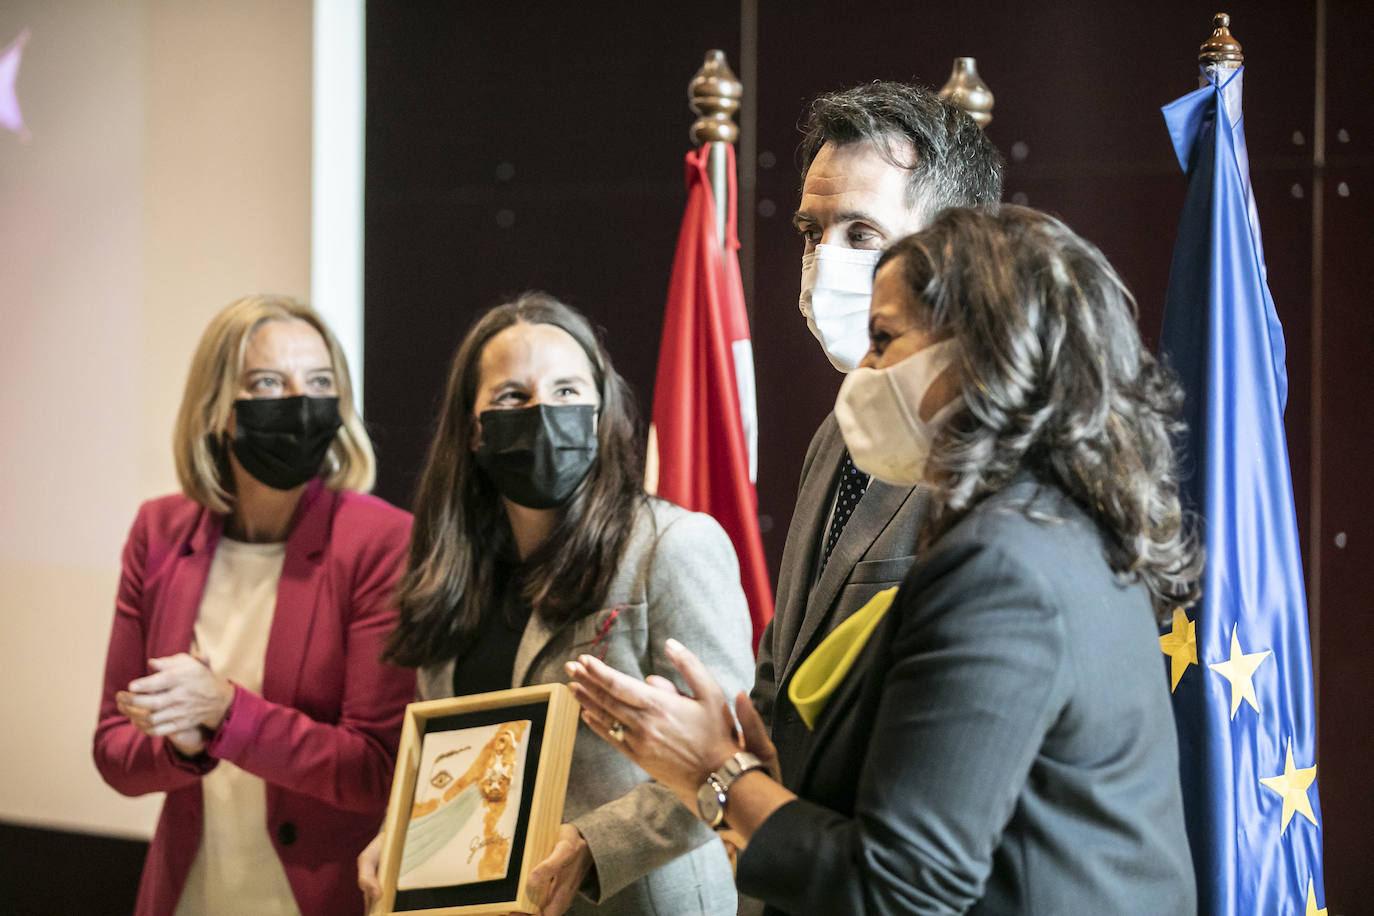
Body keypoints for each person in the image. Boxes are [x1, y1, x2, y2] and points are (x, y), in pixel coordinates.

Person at [568, 206, 1203, 914]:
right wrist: (764, 779)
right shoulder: (1055, 527)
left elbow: (902, 888)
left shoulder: (1003, 568)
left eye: (884, 339)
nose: (864, 371)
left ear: (985, 355)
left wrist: (713, 774)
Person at [357, 292, 753, 915]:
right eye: (512, 397)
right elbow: (456, 758)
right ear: (473, 427)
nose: (543, 411)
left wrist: (598, 845)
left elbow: (733, 756)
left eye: (567, 391)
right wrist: (404, 831)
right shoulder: (452, 571)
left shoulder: (671, 546)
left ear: (601, 413)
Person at [93, 295, 416, 916]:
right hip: (190, 892)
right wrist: (183, 748)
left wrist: (225, 713)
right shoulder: (158, 532)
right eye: (268, 382)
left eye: (319, 382)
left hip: (323, 896)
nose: (299, 402)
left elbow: (376, 769)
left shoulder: (381, 542)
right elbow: (114, 751)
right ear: (218, 409)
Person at [756, 81, 1004, 786]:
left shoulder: (997, 456)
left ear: (955, 249)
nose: (823, 262)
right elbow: (783, 683)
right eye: (812, 232)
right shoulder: (837, 433)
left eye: (861, 234)